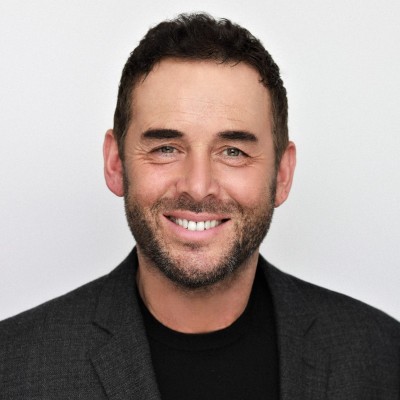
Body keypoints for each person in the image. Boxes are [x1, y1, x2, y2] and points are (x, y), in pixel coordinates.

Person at [0, 12, 399, 400]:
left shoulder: (382, 356)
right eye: (166, 148)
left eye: (233, 151)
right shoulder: (13, 368)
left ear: (282, 174)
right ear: (116, 163)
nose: (198, 186)